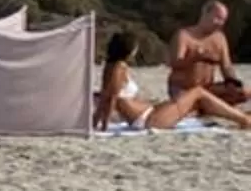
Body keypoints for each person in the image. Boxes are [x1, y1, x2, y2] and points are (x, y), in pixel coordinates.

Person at [96, 32, 251, 130]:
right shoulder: (118, 68)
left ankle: (241, 117)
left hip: (148, 113)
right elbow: (111, 98)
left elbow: (106, 96)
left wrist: (96, 121)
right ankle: (244, 119)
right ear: (128, 50)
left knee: (195, 100)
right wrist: (103, 126)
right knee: (198, 93)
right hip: (148, 119)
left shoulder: (111, 67)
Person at [168, 0, 243, 104]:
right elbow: (174, 64)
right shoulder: (184, 35)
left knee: (243, 93)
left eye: (223, 20)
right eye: (217, 18)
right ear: (205, 14)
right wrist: (195, 58)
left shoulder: (220, 38)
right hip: (183, 88)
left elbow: (226, 65)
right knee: (189, 104)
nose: (220, 23)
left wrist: (231, 81)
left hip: (206, 88)